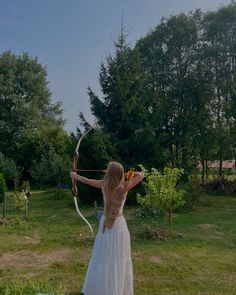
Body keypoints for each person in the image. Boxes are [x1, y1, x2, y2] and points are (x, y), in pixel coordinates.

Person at [70, 161, 144, 295]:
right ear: (120, 174)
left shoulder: (104, 184)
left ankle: (102, 289)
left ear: (109, 173)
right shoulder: (124, 186)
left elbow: (88, 180)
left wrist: (75, 176)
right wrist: (125, 174)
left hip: (107, 224)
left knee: (104, 256)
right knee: (118, 258)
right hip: (119, 224)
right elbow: (141, 175)